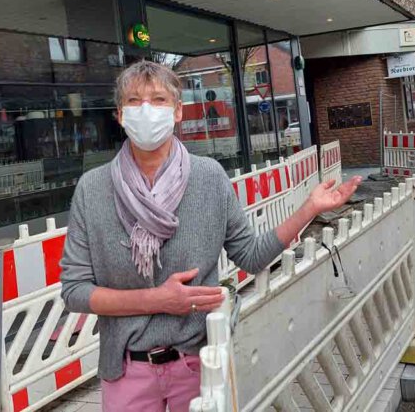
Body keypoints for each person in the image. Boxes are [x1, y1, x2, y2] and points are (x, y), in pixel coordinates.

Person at [60, 61, 360, 412]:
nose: (146, 109)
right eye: (134, 100)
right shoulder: (93, 189)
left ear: (177, 112)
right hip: (127, 370)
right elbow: (75, 290)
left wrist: (308, 210)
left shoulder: (209, 178)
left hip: (200, 365)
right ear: (120, 115)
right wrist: (158, 299)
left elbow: (248, 255)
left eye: (158, 99)